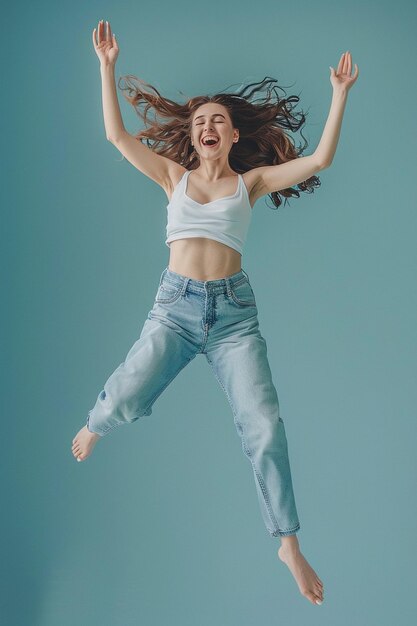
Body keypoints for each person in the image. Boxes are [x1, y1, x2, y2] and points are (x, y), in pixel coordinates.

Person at [72, 19, 359, 606]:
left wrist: (339, 95)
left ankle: (287, 542)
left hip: (234, 318)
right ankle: (98, 421)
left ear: (231, 137)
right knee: (125, 396)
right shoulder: (172, 177)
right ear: (193, 135)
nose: (206, 126)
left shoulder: (250, 183)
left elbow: (320, 160)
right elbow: (116, 136)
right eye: (199, 120)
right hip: (175, 308)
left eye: (216, 121)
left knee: (265, 426)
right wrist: (105, 66)